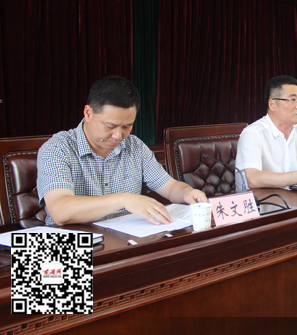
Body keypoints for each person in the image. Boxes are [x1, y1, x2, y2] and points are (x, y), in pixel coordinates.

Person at [37, 76, 207, 226]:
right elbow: (60, 211)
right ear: (88, 113)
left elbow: (170, 187)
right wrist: (123, 200)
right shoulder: (57, 148)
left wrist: (187, 193)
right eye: (110, 126)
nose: (118, 135)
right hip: (72, 245)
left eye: (127, 127)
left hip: (124, 242)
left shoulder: (135, 146)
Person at [235, 75, 297, 190]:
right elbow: (253, 179)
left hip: (295, 199)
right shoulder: (253, 134)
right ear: (272, 104)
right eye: (293, 100)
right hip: (262, 200)